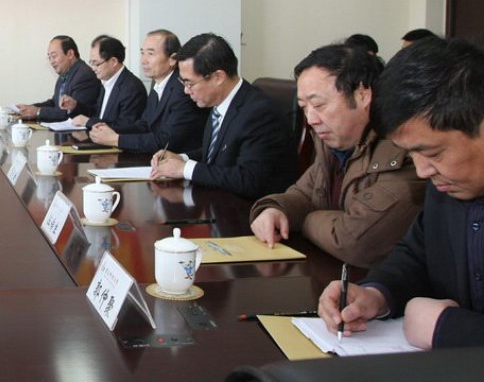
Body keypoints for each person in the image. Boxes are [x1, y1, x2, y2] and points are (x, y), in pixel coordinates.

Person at [319, 38, 484, 350]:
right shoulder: (447, 184)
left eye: (432, 153)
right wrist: (376, 294)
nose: (422, 171)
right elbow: (417, 256)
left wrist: (449, 329)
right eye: (411, 154)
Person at [249, 45, 425, 268]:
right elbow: (303, 195)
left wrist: (305, 219)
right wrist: (273, 209)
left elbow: (355, 242)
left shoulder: (404, 150)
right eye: (304, 107)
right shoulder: (333, 144)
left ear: (362, 95)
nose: (310, 119)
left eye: (319, 105)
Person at [149, 33, 297, 200]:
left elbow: (248, 179)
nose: (186, 90)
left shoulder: (259, 113)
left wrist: (185, 169)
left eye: (189, 83)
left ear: (218, 77)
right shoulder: (219, 102)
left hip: (249, 208)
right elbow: (219, 153)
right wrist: (182, 158)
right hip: (218, 199)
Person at [89, 29, 207, 154]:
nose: (143, 60)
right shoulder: (157, 83)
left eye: (150, 54)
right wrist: (109, 130)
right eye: (142, 53)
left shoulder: (183, 89)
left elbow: (166, 140)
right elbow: (144, 125)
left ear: (172, 59)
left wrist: (116, 139)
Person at [64, 36, 147, 131]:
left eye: (96, 63)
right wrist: (75, 106)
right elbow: (98, 113)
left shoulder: (132, 88)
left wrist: (89, 122)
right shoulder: (107, 81)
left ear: (113, 62)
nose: (93, 68)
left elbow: (125, 127)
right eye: (91, 63)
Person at [15, 35, 100, 122]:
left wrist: (38, 112)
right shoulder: (65, 74)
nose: (51, 61)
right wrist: (30, 108)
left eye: (54, 56)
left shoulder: (84, 75)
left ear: (70, 54)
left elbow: (72, 113)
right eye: (49, 57)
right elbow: (54, 103)